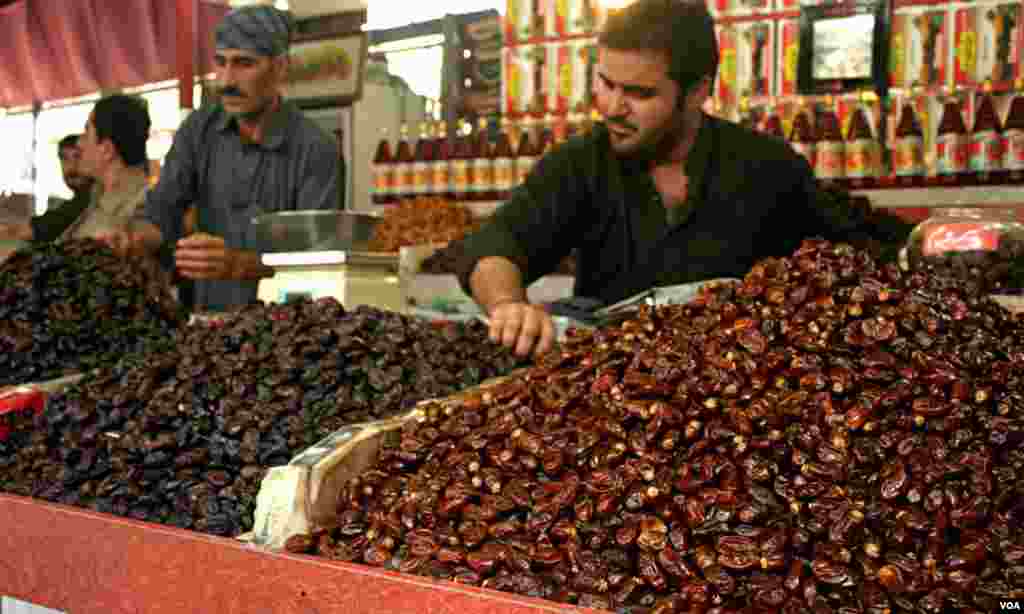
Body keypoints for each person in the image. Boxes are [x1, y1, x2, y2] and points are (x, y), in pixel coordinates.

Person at [457, 0, 910, 358]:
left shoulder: (767, 167)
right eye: (606, 83)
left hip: (739, 402)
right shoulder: (580, 164)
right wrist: (506, 306)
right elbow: (498, 244)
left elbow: (850, 260)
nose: (613, 107)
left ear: (697, 92)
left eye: (639, 93)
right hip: (606, 400)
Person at [100, 5, 343, 312]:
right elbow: (164, 210)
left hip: (290, 329)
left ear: (281, 67)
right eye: (220, 62)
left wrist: (238, 265)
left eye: (244, 64)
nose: (227, 80)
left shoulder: (316, 150)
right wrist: (133, 238)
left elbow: (320, 264)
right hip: (210, 323)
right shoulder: (199, 130)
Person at [0, 96, 151, 243]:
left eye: (87, 133)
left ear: (106, 150)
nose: (79, 143)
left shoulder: (143, 209)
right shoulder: (93, 196)